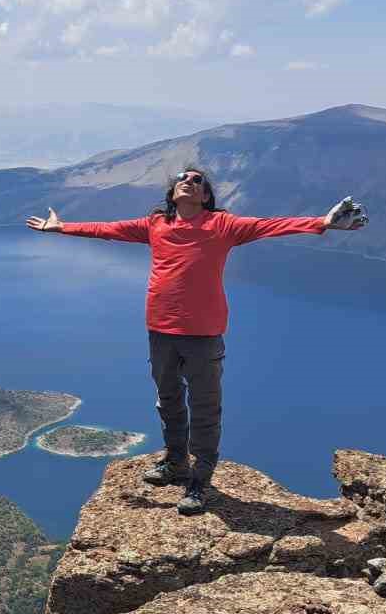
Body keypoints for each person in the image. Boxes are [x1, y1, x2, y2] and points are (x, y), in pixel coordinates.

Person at [26, 169, 367, 515]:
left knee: (204, 409)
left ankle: (199, 481)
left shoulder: (223, 226)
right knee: (168, 400)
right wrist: (62, 227)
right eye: (182, 177)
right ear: (173, 192)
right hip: (160, 330)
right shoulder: (155, 224)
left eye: (197, 180)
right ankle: (176, 464)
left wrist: (322, 222)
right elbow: (108, 230)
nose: (188, 180)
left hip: (203, 334)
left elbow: (271, 224)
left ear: (205, 196)